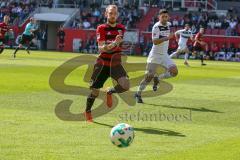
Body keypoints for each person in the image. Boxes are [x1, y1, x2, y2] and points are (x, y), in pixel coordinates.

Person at [84, 5, 130, 122]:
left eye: (114, 13)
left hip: (115, 63)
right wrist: (114, 43)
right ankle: (88, 111)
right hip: (102, 63)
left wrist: (118, 46)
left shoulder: (121, 28)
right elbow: (101, 48)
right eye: (110, 13)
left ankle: (110, 91)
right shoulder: (101, 28)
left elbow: (118, 45)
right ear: (106, 14)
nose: (113, 15)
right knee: (95, 91)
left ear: (117, 14)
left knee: (126, 85)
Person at [135, 9, 177, 103]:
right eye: (163, 17)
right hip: (155, 55)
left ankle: (158, 78)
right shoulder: (156, 27)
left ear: (168, 17)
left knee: (174, 72)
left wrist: (176, 36)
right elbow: (155, 41)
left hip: (164, 55)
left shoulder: (169, 25)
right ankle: (138, 93)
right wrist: (167, 38)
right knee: (149, 76)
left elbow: (173, 33)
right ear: (159, 17)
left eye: (166, 16)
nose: (165, 18)